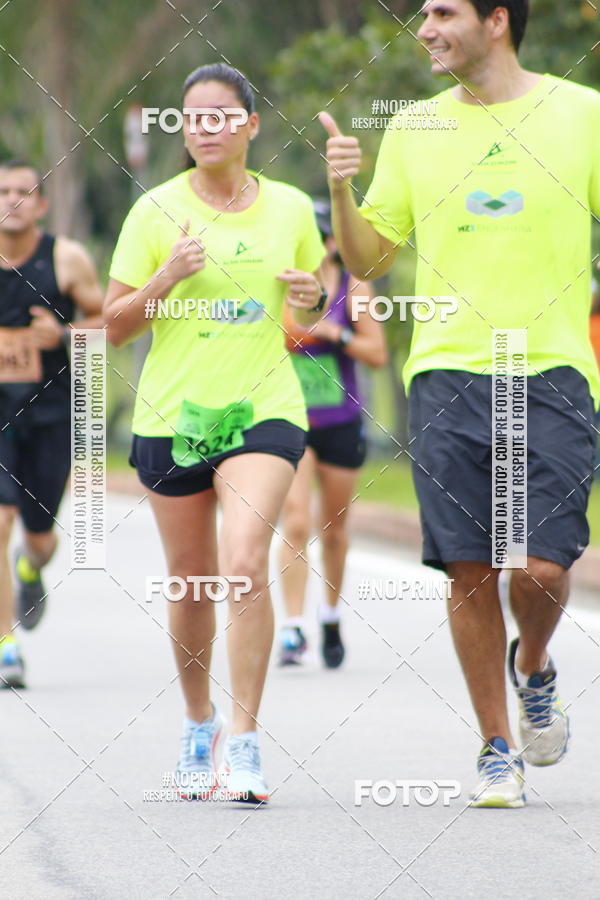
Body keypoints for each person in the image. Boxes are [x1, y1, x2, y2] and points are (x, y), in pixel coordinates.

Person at [320, 0, 599, 808]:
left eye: (443, 11)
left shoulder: (579, 114)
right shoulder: (413, 128)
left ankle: (532, 665)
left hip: (553, 370)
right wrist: (341, 190)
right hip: (445, 371)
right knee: (469, 568)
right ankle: (495, 745)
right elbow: (369, 259)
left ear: (498, 20)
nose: (425, 28)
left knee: (542, 568)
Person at [104, 63, 326, 804]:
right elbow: (111, 328)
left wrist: (316, 295)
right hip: (173, 417)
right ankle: (198, 723)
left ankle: (248, 740)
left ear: (251, 125)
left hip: (263, 409)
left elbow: (310, 306)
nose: (204, 128)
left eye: (221, 115)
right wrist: (165, 276)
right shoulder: (153, 212)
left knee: (240, 562)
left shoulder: (291, 207)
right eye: (191, 118)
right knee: (195, 580)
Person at [0, 159, 104, 689]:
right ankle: (7, 647)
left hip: (50, 414)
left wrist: (62, 334)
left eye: (24, 191)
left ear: (41, 204)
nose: (12, 199)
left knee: (40, 537)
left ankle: (31, 566)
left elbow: (108, 319)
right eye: (3, 191)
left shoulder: (65, 259)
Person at [278, 199, 387, 668]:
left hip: (340, 422)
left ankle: (330, 614)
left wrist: (334, 334)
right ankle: (292, 628)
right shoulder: (278, 287)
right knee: (296, 520)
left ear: (327, 242)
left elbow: (377, 353)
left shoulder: (354, 288)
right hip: (290, 419)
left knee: (334, 529)